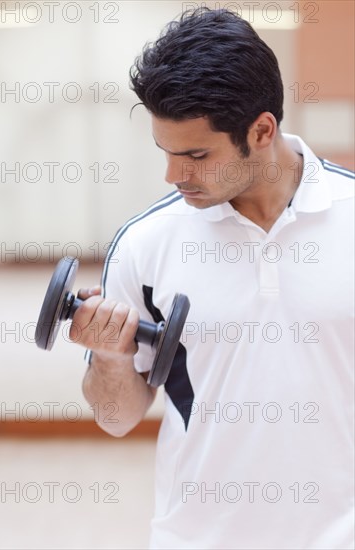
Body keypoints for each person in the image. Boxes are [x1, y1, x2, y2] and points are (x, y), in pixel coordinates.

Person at [71, 8, 354, 549]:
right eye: (168, 153)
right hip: (197, 537)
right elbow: (115, 419)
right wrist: (109, 357)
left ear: (262, 129)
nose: (174, 176)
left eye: (197, 155)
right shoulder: (145, 244)